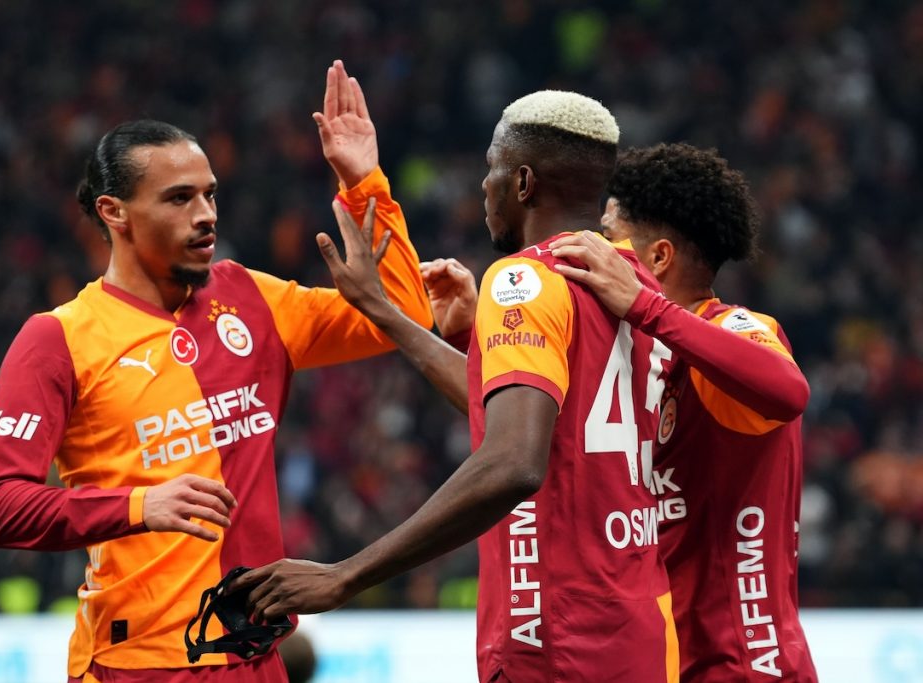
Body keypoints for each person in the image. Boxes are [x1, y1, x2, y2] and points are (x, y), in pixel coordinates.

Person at [0, 60, 433, 683]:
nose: (206, 214)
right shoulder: (58, 339)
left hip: (257, 656)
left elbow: (399, 315)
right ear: (114, 212)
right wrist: (140, 504)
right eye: (179, 198)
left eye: (210, 194)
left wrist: (362, 180)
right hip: (138, 664)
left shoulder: (250, 298)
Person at [236, 90, 681, 683]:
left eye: (491, 169)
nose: (483, 186)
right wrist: (386, 314)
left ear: (523, 182)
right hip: (639, 627)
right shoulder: (636, 283)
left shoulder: (524, 279)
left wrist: (346, 574)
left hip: (557, 638)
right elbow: (529, 426)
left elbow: (513, 462)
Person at [549, 144, 818, 681]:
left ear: (658, 259)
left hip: (747, 666)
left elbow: (789, 390)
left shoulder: (733, 328)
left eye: (608, 236)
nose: (595, 249)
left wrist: (646, 306)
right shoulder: (643, 361)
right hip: (669, 665)